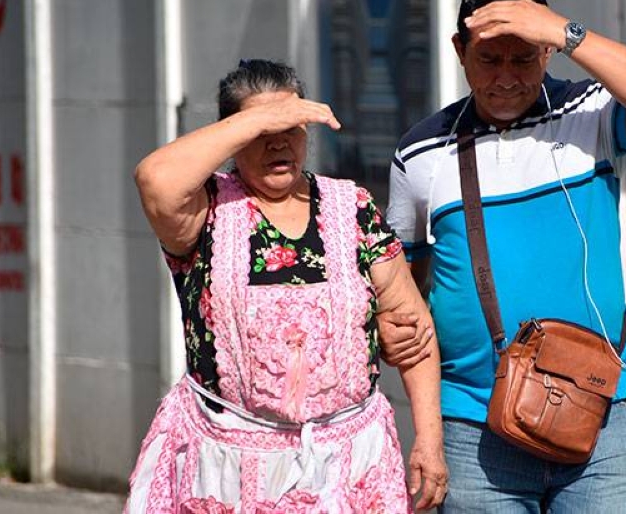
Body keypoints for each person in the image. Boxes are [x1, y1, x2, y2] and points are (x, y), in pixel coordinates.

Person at [381, 0, 626, 512]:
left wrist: (564, 31)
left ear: (546, 53)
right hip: (473, 425)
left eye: (523, 57)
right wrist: (390, 328)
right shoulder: (421, 153)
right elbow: (401, 282)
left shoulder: (588, 114)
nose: (506, 78)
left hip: (601, 414)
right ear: (459, 51)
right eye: (489, 59)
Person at [125, 59, 447, 513]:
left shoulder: (351, 208)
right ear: (232, 136)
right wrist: (257, 118)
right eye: (261, 133)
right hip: (229, 471)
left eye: (291, 128)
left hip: (348, 467)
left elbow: (414, 328)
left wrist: (429, 441)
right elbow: (153, 179)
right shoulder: (205, 209)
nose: (278, 142)